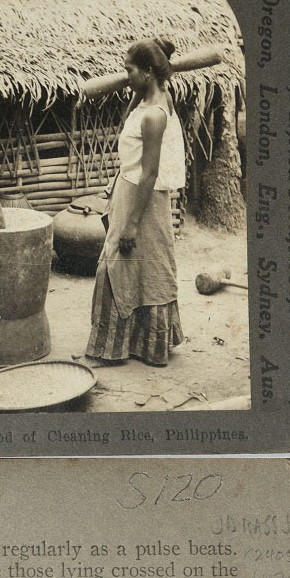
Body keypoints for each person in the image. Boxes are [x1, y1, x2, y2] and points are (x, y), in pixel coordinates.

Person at [86, 38, 187, 366]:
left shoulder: (155, 115)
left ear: (147, 72)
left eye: (129, 70)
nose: (125, 75)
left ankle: (119, 347)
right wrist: (136, 79)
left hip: (144, 198)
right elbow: (129, 109)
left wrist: (130, 223)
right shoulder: (146, 101)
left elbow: (150, 173)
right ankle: (130, 345)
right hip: (128, 191)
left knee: (122, 267)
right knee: (132, 270)